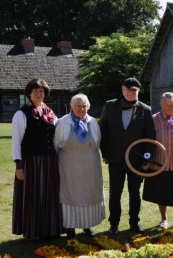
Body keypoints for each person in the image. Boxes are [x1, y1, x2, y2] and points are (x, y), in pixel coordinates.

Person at [99, 78, 156, 234]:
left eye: (134, 90)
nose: (131, 93)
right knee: (115, 193)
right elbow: (103, 131)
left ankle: (134, 223)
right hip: (115, 159)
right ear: (122, 89)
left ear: (138, 92)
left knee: (134, 193)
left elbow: (150, 137)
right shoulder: (110, 106)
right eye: (128, 90)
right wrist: (106, 153)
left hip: (136, 161)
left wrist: (146, 159)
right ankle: (114, 225)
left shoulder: (145, 109)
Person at [11, 78, 62, 240]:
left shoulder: (50, 113)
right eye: (35, 91)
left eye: (41, 91)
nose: (38, 94)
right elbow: (16, 142)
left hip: (49, 161)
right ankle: (34, 231)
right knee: (33, 195)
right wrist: (19, 166)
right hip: (30, 161)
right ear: (29, 94)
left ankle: (50, 229)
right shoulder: (21, 113)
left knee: (49, 195)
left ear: (45, 93)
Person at [54, 94, 105, 238]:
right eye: (78, 106)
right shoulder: (63, 122)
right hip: (69, 166)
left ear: (88, 107)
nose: (81, 109)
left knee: (88, 193)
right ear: (71, 106)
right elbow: (56, 144)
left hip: (90, 166)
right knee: (70, 193)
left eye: (84, 106)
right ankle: (70, 227)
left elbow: (98, 141)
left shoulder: (93, 122)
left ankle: (86, 225)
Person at [142, 92, 173, 229]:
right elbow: (147, 141)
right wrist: (147, 159)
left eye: (172, 105)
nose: (169, 108)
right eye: (166, 105)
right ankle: (164, 219)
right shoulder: (153, 120)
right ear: (161, 105)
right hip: (159, 163)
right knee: (161, 192)